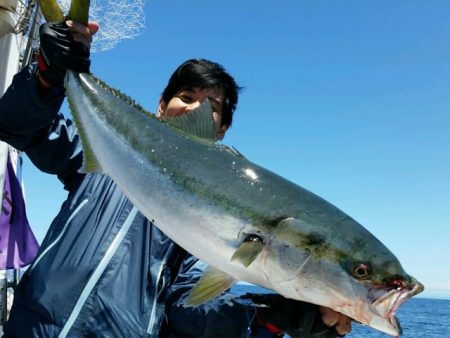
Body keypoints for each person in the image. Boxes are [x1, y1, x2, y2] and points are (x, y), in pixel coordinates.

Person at [0, 20, 352, 338]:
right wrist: (46, 76)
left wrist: (271, 317)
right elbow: (19, 125)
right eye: (186, 97)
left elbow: (185, 307)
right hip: (29, 329)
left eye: (211, 107)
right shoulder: (103, 162)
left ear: (222, 130)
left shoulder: (209, 223)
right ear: (160, 105)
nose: (195, 109)